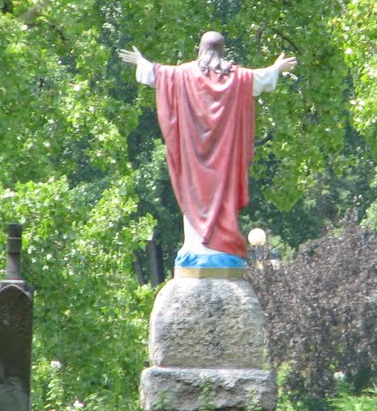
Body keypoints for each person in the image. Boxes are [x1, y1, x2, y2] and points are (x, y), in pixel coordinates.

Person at [119, 32, 296, 269]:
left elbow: (159, 74)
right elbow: (259, 78)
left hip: (193, 155)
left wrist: (141, 62)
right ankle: (216, 250)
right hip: (226, 157)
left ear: (201, 49)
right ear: (223, 50)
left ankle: (196, 249)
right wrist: (275, 68)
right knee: (223, 198)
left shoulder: (184, 74)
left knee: (195, 197)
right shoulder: (236, 77)